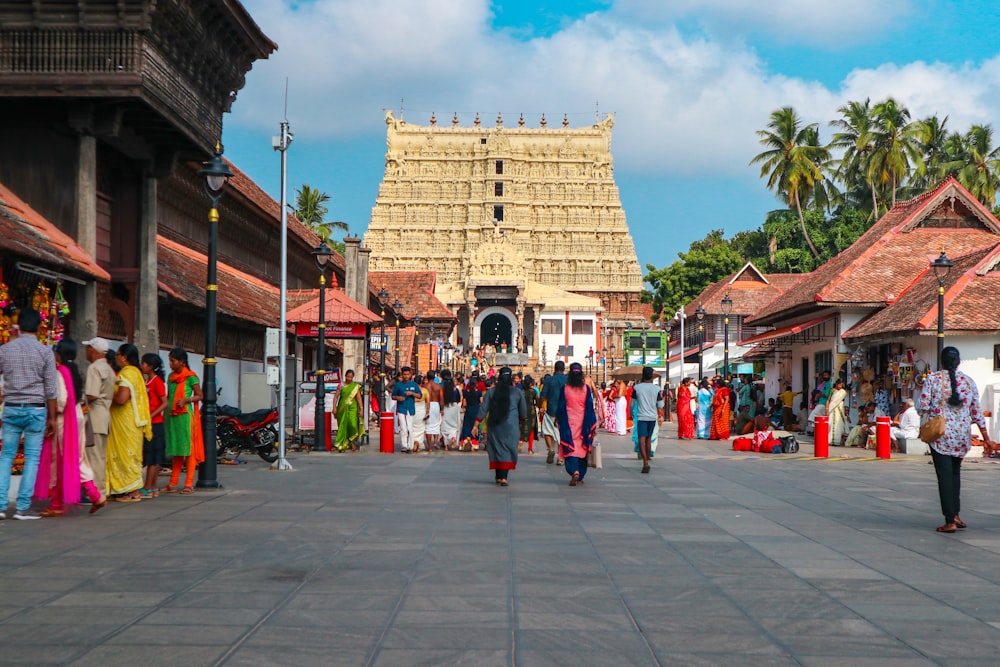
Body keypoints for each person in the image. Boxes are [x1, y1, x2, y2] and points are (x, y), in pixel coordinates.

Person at [918, 346, 993, 534]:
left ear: (941, 361)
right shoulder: (968, 382)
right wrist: (986, 438)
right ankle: (956, 513)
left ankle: (950, 519)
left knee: (944, 477)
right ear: (958, 362)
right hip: (962, 436)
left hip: (940, 435)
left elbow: (923, 406)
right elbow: (976, 413)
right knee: (955, 475)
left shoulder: (933, 379)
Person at [0, 307, 58, 520]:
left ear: (19, 325)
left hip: (11, 407)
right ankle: (23, 507)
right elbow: (51, 389)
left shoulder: (5, 350)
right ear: (39, 327)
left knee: (6, 456)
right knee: (32, 458)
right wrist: (52, 417)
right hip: (36, 409)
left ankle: (1, 505)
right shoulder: (45, 352)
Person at [106, 344, 151, 502]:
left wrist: (105, 395)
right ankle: (129, 490)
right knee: (132, 456)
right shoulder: (136, 372)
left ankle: (128, 491)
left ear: (124, 357)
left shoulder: (127, 373)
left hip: (125, 421)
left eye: (118, 354)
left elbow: (122, 399)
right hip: (132, 422)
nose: (116, 357)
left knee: (125, 456)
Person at [475, 366, 526, 486]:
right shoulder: (517, 392)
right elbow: (523, 411)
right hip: (511, 426)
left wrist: (476, 424)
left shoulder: (491, 392)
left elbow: (483, 409)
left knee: (497, 448)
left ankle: (499, 475)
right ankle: (503, 477)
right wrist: (522, 419)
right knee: (508, 449)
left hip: (495, 425)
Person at [163, 348, 203, 495]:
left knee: (188, 450)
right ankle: (172, 483)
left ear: (182, 362)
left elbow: (200, 395)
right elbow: (168, 397)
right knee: (177, 450)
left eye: (173, 361)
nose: (170, 364)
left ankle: (188, 484)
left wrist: (187, 399)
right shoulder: (171, 377)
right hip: (172, 416)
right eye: (170, 360)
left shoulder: (191, 377)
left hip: (185, 416)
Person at [83, 336, 115, 496]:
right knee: (100, 458)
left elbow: (92, 395)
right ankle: (101, 491)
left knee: (93, 458)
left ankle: (96, 494)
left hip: (94, 418)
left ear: (92, 350)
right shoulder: (109, 369)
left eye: (87, 349)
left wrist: (80, 400)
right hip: (104, 417)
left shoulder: (94, 368)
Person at [556, 362, 597, 486]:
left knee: (570, 447)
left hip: (568, 422)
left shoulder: (565, 388)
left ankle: (574, 470)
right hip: (583, 422)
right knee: (582, 448)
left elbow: (561, 406)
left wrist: (558, 419)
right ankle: (580, 475)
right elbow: (590, 407)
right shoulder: (586, 389)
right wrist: (592, 424)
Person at [140, 353, 167, 497]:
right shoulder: (147, 382)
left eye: (144, 363)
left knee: (152, 457)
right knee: (151, 457)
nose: (142, 365)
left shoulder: (157, 382)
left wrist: (151, 415)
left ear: (150, 366)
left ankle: (148, 486)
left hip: (155, 423)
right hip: (149, 423)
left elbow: (164, 402)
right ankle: (153, 487)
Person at [631, 366, 663, 473]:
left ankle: (645, 462)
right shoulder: (657, 389)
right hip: (652, 417)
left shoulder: (637, 388)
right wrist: (660, 415)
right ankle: (648, 458)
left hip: (641, 416)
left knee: (641, 440)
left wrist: (631, 414)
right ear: (652, 376)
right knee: (649, 439)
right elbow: (660, 404)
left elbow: (632, 403)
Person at [540, 360, 567, 464]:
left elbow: (543, 396)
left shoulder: (549, 380)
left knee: (547, 430)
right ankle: (560, 457)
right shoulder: (568, 380)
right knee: (562, 433)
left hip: (551, 409)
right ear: (564, 369)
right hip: (565, 410)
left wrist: (540, 406)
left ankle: (551, 449)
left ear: (554, 368)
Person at [333, 369, 365, 452]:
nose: (349, 379)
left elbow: (358, 398)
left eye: (351, 377)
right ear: (345, 376)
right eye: (348, 377)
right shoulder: (341, 385)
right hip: (342, 408)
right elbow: (336, 396)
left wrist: (361, 409)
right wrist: (334, 407)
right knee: (342, 426)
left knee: (352, 425)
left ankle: (352, 442)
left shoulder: (355, 386)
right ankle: (342, 443)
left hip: (353, 408)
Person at [391, 368, 421, 453]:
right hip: (401, 408)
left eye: (408, 374)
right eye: (404, 374)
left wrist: (412, 393)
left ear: (410, 375)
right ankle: (404, 445)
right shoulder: (398, 385)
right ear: (402, 375)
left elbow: (419, 395)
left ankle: (410, 446)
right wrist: (398, 398)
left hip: (410, 408)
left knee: (410, 427)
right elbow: (393, 396)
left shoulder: (414, 385)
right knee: (403, 427)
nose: (406, 376)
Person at [440, 369, 462, 450]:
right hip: (454, 407)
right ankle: (453, 437)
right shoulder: (456, 389)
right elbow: (459, 399)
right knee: (454, 425)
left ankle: (446, 444)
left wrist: (441, 409)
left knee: (445, 426)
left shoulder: (442, 387)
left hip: (446, 407)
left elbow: (441, 399)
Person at [460, 372, 483, 448]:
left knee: (467, 426)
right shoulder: (479, 393)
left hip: (468, 410)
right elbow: (481, 403)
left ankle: (465, 442)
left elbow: (464, 404)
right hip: (476, 410)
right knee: (475, 426)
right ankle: (474, 443)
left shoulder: (466, 392)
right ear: (476, 384)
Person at [519, 375, 538, 454]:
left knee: (521, 427)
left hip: (521, 410)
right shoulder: (533, 391)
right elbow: (537, 402)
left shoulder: (520, 391)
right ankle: (530, 449)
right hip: (531, 411)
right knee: (531, 428)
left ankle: (521, 441)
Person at [425, 370, 443, 451]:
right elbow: (441, 398)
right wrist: (442, 409)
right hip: (436, 404)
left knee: (428, 425)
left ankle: (429, 447)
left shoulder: (424, 386)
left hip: (427, 405)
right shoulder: (438, 387)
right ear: (434, 376)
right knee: (436, 424)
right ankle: (435, 442)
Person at [826, 379, 848, 445]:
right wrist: (827, 409)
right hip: (832, 409)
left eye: (842, 385)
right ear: (836, 384)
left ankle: (837, 440)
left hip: (840, 410)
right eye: (839, 385)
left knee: (839, 424)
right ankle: (830, 440)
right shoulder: (832, 390)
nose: (840, 386)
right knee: (831, 423)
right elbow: (828, 400)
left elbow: (843, 402)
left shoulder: (843, 392)